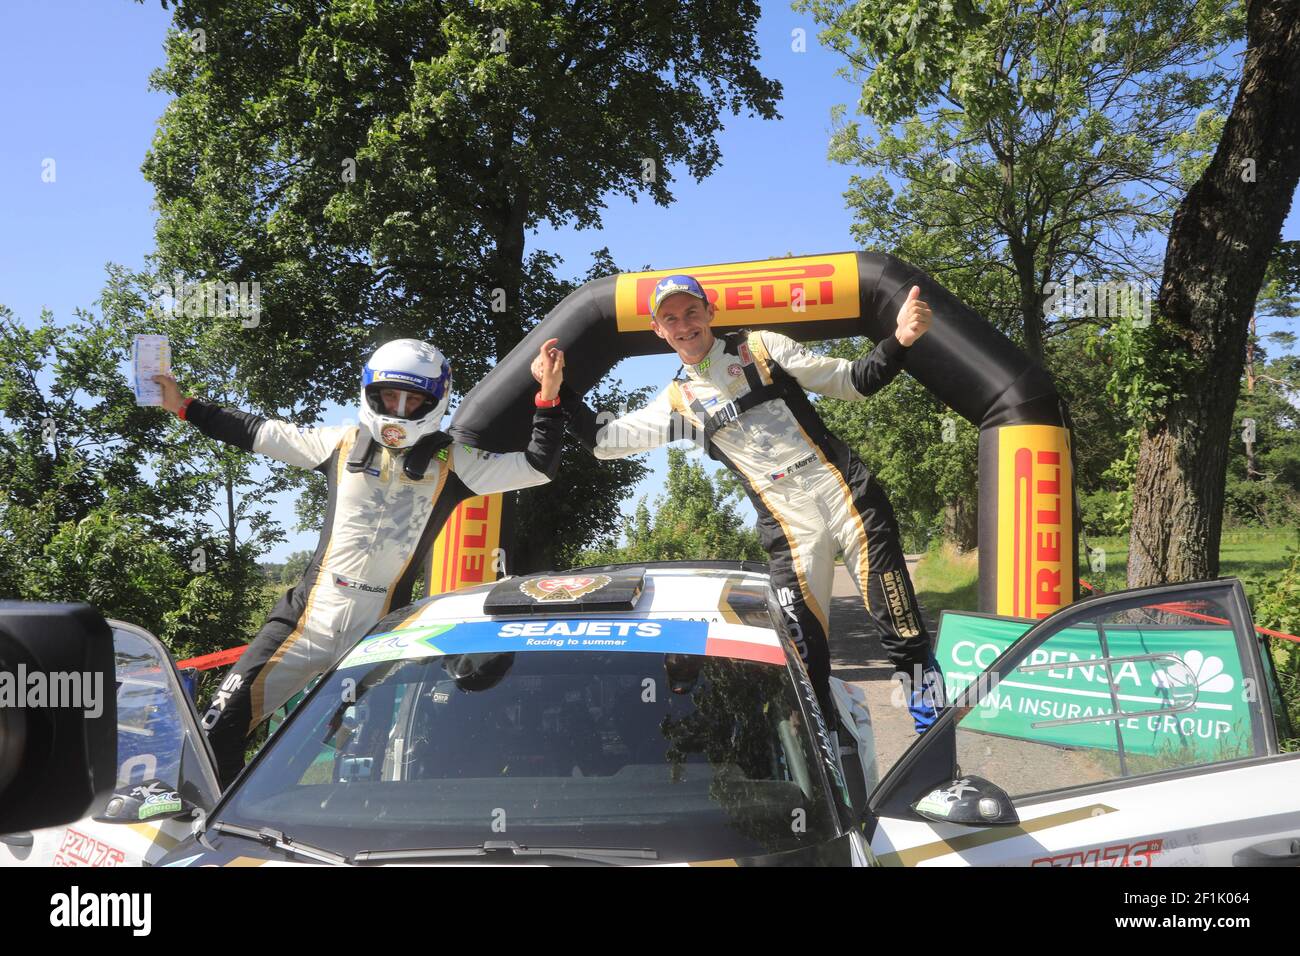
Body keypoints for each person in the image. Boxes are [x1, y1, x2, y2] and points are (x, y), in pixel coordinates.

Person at [539, 275, 944, 733]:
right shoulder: (678, 399)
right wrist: (558, 396)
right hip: (787, 521)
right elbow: (606, 441)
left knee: (902, 626)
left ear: (710, 312)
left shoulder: (764, 346)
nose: (684, 325)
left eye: (692, 312)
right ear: (658, 329)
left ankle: (934, 740)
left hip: (844, 492)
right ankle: (829, 767)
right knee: (803, 654)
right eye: (670, 318)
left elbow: (852, 381)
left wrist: (902, 339)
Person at [155, 336, 566, 786]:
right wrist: (184, 405)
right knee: (217, 729)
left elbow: (538, 465)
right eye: (390, 395)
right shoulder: (338, 441)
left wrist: (547, 397)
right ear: (371, 393)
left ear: (436, 402)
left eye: (414, 400)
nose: (401, 408)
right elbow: (256, 431)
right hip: (305, 620)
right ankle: (209, 830)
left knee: (365, 762)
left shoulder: (456, 461)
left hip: (379, 634)